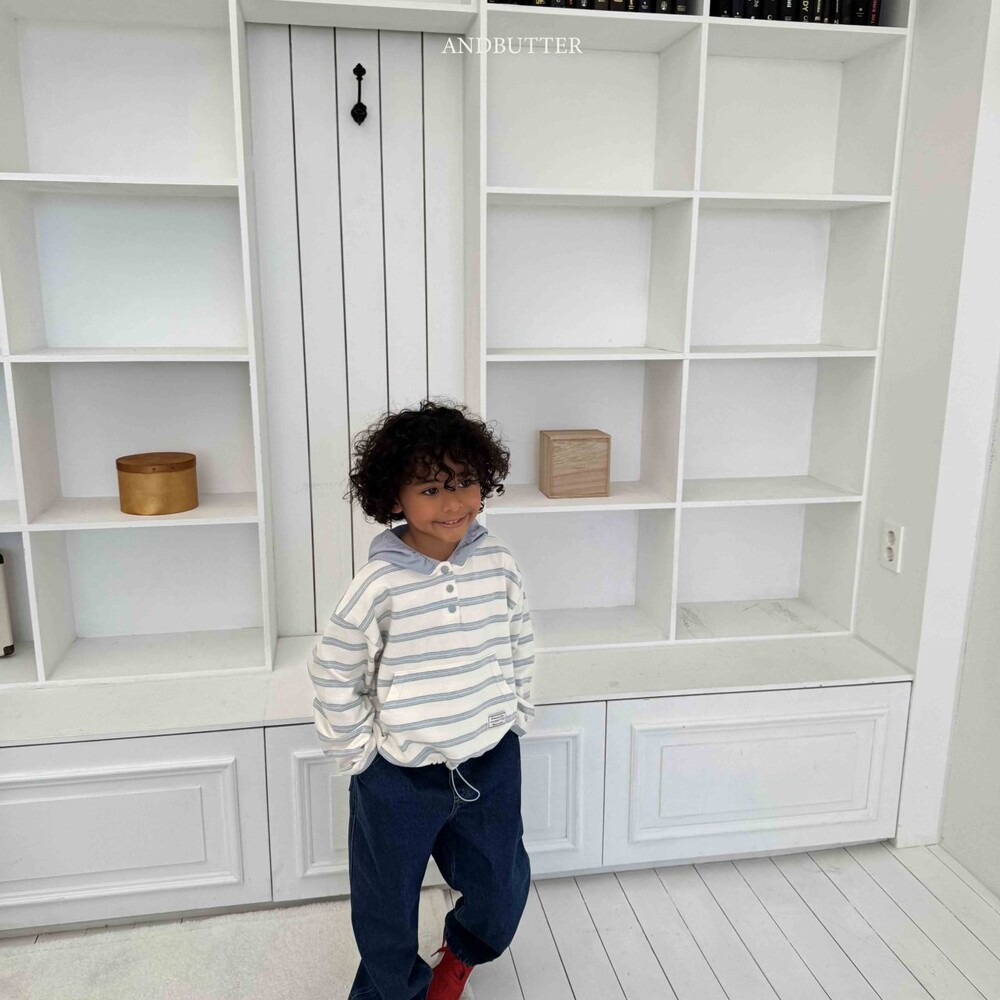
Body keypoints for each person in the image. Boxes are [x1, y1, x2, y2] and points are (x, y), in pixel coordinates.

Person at [307, 398, 535, 1000]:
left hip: (488, 759)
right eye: (431, 489)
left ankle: (462, 953)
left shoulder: (498, 562)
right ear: (395, 497)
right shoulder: (378, 585)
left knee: (499, 885)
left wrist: (515, 711)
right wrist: (360, 757)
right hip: (399, 775)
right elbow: (334, 672)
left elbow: (518, 638)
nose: (452, 503)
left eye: (463, 483)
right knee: (386, 906)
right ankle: (392, 993)